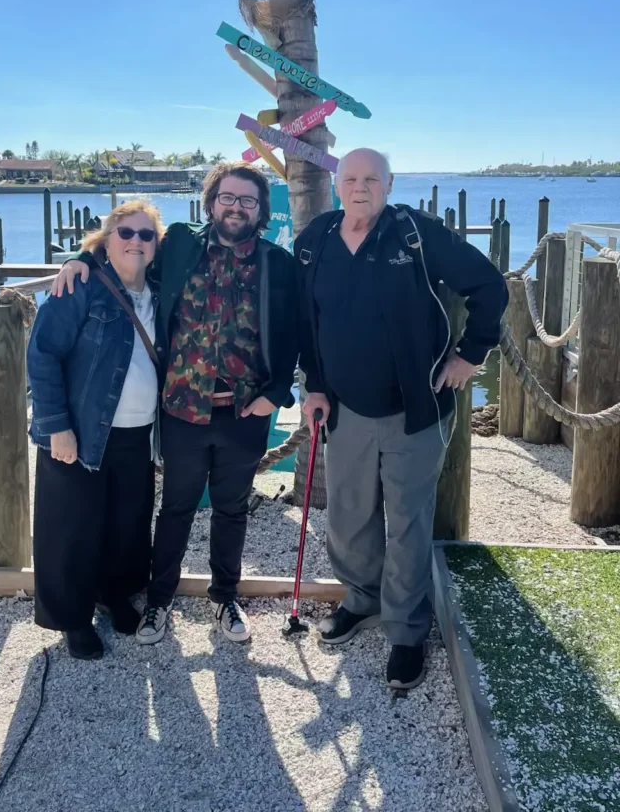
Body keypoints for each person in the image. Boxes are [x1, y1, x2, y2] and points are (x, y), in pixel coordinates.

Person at [52, 162, 298, 644]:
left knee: (232, 509)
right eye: (227, 197)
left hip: (245, 412)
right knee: (176, 508)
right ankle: (158, 602)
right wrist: (78, 258)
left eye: (248, 200)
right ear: (211, 203)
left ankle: (225, 598)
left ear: (261, 210)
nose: (236, 207)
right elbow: (128, 249)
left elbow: (294, 332)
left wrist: (277, 394)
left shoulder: (277, 263)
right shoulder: (181, 244)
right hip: (183, 409)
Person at [296, 149, 507, 690]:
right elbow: (305, 321)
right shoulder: (315, 240)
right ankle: (362, 599)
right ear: (336, 184)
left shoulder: (416, 234)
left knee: (408, 522)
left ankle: (407, 631)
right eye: (350, 178)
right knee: (347, 515)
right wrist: (314, 386)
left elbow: (489, 286)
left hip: (415, 408)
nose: (360, 186)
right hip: (345, 409)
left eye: (372, 178)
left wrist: (470, 354)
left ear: (389, 184)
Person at [27, 200, 165, 660]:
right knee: (71, 528)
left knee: (125, 525)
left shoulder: (162, 291)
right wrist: (56, 428)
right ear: (106, 240)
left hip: (138, 433)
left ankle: (113, 593)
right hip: (83, 430)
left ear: (156, 244)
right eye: (125, 233)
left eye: (146, 235)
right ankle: (73, 617)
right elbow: (43, 354)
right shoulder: (81, 285)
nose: (135, 242)